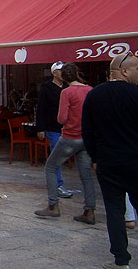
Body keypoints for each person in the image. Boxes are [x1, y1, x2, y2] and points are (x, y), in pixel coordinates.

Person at [82, 52, 138, 269]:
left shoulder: (95, 95)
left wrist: (95, 158)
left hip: (109, 162)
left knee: (115, 210)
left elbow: (87, 132)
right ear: (124, 70)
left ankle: (121, 260)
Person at [34, 63, 96, 224]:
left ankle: (53, 205)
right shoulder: (89, 90)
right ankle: (89, 210)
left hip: (70, 136)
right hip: (86, 137)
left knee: (51, 167)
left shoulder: (67, 92)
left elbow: (61, 118)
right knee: (86, 175)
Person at [35, 61, 72, 199]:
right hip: (52, 126)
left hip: (67, 127)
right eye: (59, 70)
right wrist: (40, 128)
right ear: (53, 73)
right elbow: (41, 108)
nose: (62, 73)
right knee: (56, 157)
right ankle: (58, 185)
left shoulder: (67, 87)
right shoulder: (46, 88)